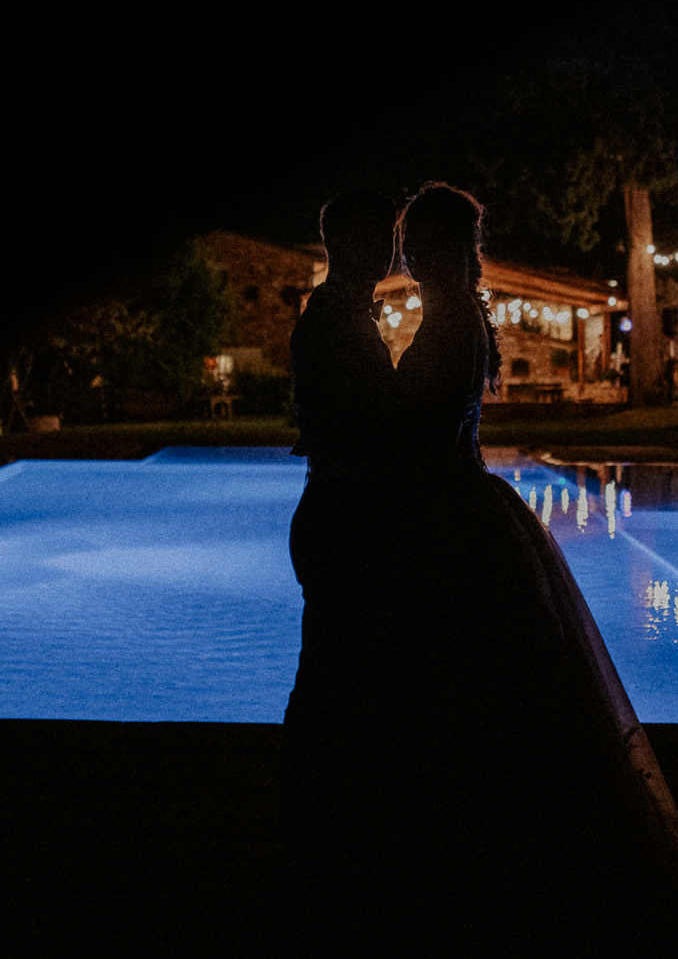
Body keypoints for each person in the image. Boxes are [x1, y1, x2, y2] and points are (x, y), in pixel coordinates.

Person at [370, 182, 678, 942]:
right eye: (411, 243)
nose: (411, 255)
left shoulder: (452, 323)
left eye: (418, 242)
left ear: (441, 248)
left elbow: (417, 428)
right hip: (459, 508)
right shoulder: (452, 317)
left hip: (452, 519)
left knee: (481, 683)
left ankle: (514, 854)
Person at [279, 189, 403, 924]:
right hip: (342, 511)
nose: (390, 254)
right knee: (330, 668)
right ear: (348, 244)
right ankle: (314, 832)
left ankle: (329, 820)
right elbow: (358, 426)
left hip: (340, 506)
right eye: (382, 239)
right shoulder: (333, 321)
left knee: (340, 666)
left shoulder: (343, 316)